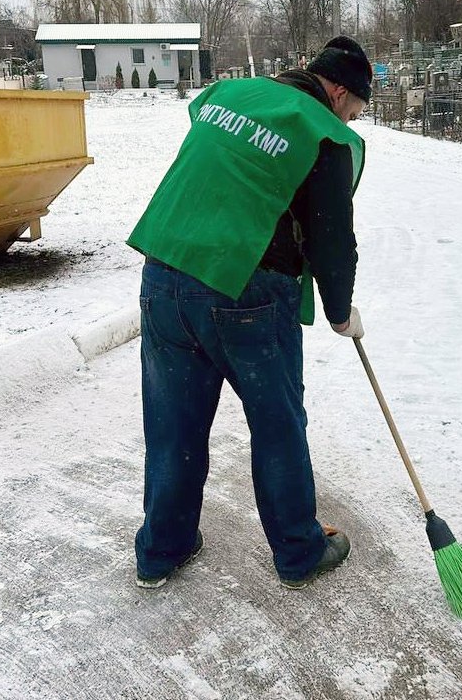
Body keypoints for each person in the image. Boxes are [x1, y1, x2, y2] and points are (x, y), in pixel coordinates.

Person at [126, 36, 372, 590]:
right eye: (355, 109)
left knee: (173, 424)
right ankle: (300, 552)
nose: (353, 120)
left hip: (165, 272)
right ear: (337, 92)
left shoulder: (229, 94)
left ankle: (161, 551)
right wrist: (340, 311)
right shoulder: (323, 132)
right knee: (278, 423)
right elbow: (332, 238)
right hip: (247, 293)